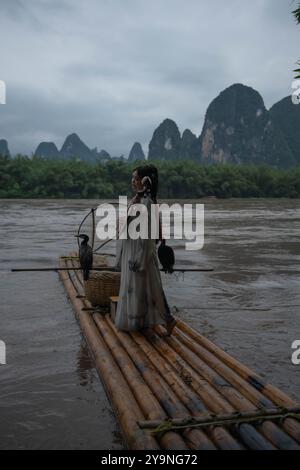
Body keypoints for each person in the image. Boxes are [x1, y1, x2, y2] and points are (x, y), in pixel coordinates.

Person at [114, 164, 177, 335]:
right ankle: (146, 321)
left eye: (135, 178)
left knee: (149, 286)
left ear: (144, 181)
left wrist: (139, 257)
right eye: (132, 178)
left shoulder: (146, 202)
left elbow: (146, 234)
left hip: (139, 252)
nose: (132, 181)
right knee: (143, 287)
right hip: (133, 249)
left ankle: (167, 319)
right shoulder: (138, 200)